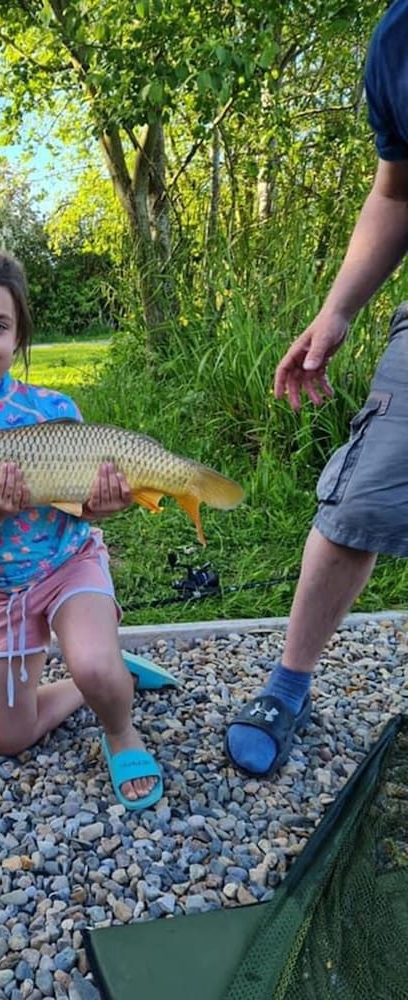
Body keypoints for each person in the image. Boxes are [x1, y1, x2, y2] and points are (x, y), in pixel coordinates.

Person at [0, 245, 167, 810]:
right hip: (3, 591)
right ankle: (104, 681)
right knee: (8, 737)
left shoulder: (53, 411)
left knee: (93, 662)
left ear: (17, 338)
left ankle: (119, 727)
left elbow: (84, 509)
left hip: (70, 564)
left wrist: (106, 505)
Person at [225, 0, 408, 777]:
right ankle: (288, 685)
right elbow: (397, 193)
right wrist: (335, 313)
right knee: (358, 501)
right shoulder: (397, 40)